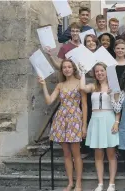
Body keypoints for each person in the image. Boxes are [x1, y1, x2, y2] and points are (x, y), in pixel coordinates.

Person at [38, 59, 87, 191]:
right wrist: (43, 85)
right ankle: (70, 182)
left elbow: (85, 104)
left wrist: (84, 125)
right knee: (66, 153)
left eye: (69, 67)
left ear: (73, 68)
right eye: (64, 67)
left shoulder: (79, 83)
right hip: (61, 118)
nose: (66, 69)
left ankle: (79, 184)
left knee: (76, 153)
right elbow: (49, 101)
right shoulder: (60, 85)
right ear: (62, 70)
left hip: (75, 118)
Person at [79, 63, 120, 191]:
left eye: (102, 70)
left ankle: (112, 183)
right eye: (97, 71)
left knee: (111, 153)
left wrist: (117, 122)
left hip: (109, 119)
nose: (100, 73)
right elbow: (82, 88)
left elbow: (118, 107)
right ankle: (100, 183)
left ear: (106, 72)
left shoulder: (113, 86)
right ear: (94, 73)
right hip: (95, 119)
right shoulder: (93, 86)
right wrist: (82, 72)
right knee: (98, 154)